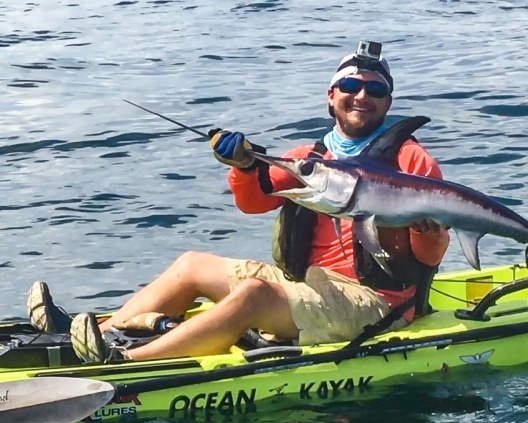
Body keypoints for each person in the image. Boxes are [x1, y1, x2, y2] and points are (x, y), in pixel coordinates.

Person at [26, 40, 450, 363]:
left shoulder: (410, 159)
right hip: (306, 283)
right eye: (351, 85)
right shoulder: (308, 158)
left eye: (375, 89)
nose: (362, 95)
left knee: (252, 295)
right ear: (331, 95)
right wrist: (244, 166)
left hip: (375, 303)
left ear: (388, 102)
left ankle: (123, 363)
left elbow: (428, 256)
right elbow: (253, 202)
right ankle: (90, 334)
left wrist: (426, 230)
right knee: (191, 265)